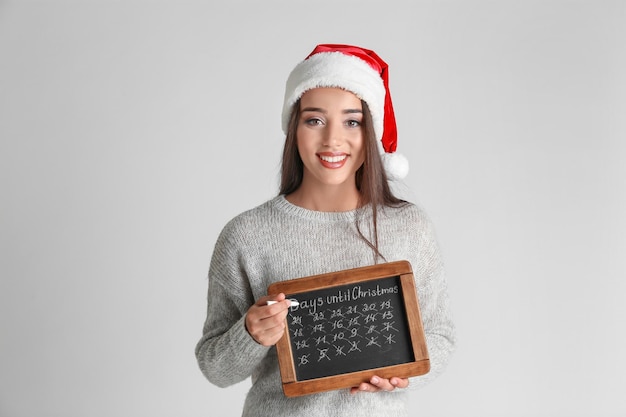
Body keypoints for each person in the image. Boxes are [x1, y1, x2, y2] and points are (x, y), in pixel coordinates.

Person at [195, 43, 456, 417]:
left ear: (371, 132)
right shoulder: (246, 236)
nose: (333, 140)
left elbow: (441, 335)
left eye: (353, 121)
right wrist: (251, 334)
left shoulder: (409, 227)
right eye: (314, 120)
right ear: (293, 129)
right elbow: (214, 366)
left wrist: (405, 373)